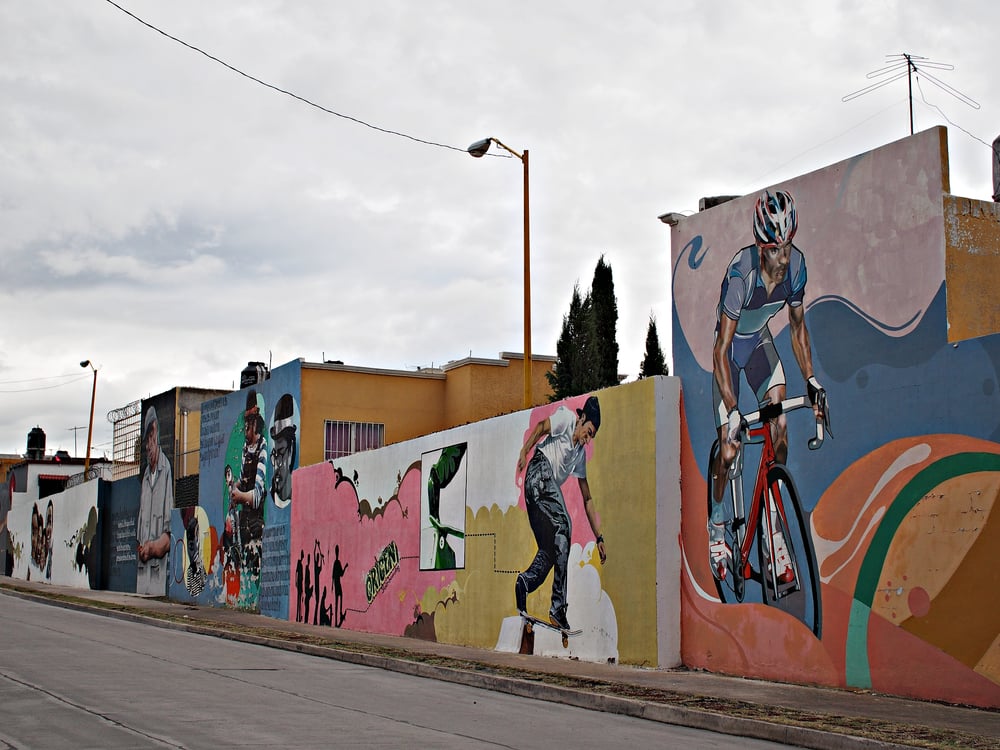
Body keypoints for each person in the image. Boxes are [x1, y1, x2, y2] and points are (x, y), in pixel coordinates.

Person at [709, 189, 826, 584]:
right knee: (728, 447)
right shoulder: (741, 274)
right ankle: (718, 523)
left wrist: (810, 380)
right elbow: (721, 350)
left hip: (759, 343)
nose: (783, 258)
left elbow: (797, 328)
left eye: (788, 246)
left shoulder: (797, 269)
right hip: (729, 352)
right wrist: (733, 407)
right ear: (761, 248)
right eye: (775, 250)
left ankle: (772, 530)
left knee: (779, 425)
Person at [514, 395, 606, 631]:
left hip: (539, 498)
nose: (588, 439)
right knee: (564, 525)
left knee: (553, 549)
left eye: (592, 436)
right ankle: (557, 608)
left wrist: (599, 537)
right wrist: (525, 451)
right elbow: (542, 427)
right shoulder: (566, 418)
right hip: (538, 472)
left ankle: (524, 582)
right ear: (582, 419)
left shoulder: (579, 456)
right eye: (589, 431)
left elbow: (587, 498)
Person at [229, 389, 267, 578]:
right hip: (244, 519)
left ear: (254, 425)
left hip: (256, 521)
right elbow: (243, 478)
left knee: (254, 565)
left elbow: (258, 492)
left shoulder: (263, 448)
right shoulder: (246, 448)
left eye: (247, 426)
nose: (245, 430)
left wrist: (242, 496)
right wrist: (234, 488)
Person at [137, 406, 173, 594]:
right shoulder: (145, 476)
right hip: (142, 574)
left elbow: (168, 536)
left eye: (151, 438)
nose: (148, 446)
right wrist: (142, 548)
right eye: (146, 441)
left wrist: (152, 548)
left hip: (158, 574)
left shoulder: (165, 470)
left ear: (156, 433)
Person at [269, 393, 297, 509]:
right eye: (274, 455)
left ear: (290, 452)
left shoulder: (300, 496)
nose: (277, 464)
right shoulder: (269, 497)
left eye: (281, 453)